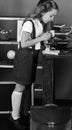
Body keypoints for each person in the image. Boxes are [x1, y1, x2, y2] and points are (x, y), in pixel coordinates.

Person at [10, 0, 59, 129]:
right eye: (51, 15)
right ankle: (14, 117)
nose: (52, 18)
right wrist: (42, 38)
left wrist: (45, 42)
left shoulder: (39, 23)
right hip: (24, 58)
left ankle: (24, 114)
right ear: (42, 12)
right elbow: (24, 43)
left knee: (27, 86)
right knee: (20, 86)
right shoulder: (29, 23)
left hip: (32, 57)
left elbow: (35, 42)